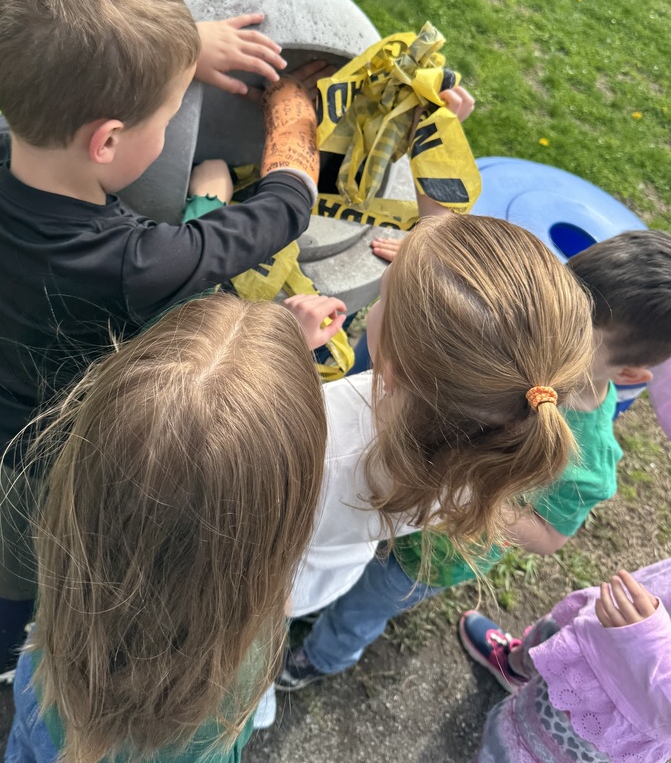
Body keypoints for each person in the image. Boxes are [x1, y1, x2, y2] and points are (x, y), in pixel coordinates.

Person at [0, 0, 326, 683]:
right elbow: (262, 225)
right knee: (11, 577)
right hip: (29, 463)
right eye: (166, 119)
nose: (171, 129)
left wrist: (176, 50)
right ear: (106, 141)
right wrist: (295, 166)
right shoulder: (133, 265)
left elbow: (45, 88)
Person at [280, 229, 671, 689]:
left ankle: (323, 656)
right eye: (552, 307)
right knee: (348, 560)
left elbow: (549, 537)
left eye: (574, 334)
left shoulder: (586, 455)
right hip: (393, 512)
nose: (540, 334)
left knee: (365, 604)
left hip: (429, 554)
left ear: (628, 375)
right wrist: (439, 277)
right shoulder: (495, 366)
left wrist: (481, 497)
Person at [4, 293, 326, 763]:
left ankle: (17, 762)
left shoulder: (74, 537)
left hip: (41, 678)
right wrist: (243, 718)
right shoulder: (233, 657)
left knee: (31, 739)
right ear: (274, 523)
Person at [456, 561, 671, 763]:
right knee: (548, 642)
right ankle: (515, 664)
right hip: (596, 630)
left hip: (604, 731)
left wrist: (658, 655)